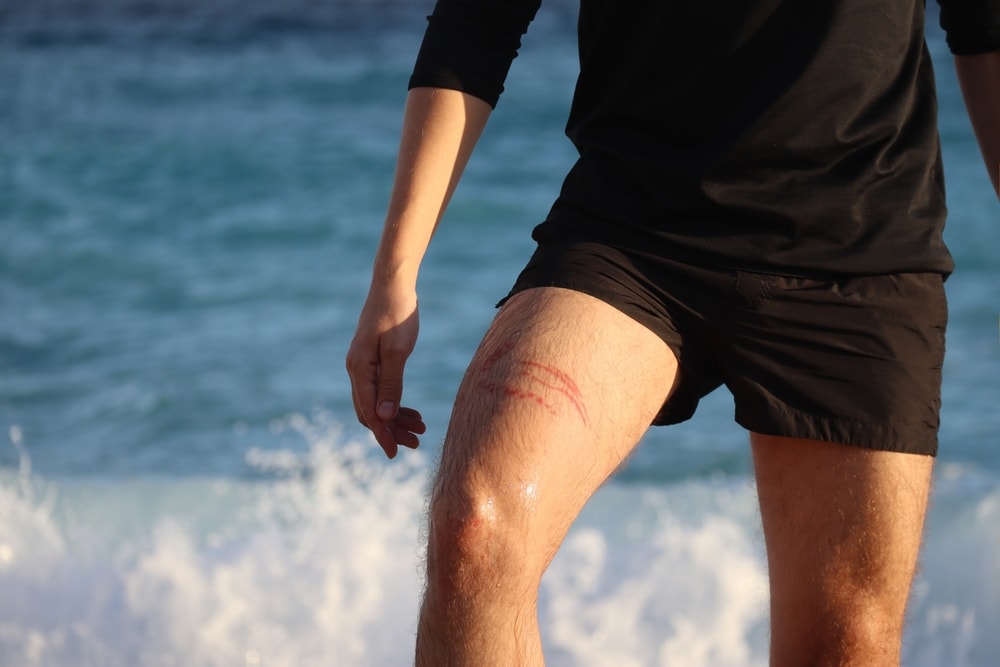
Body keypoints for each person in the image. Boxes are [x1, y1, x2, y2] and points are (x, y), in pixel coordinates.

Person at [346, 0, 999, 663]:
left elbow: (986, 26)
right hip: (631, 228)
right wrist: (394, 273)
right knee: (476, 528)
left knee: (845, 642)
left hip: (855, 246)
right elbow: (480, 18)